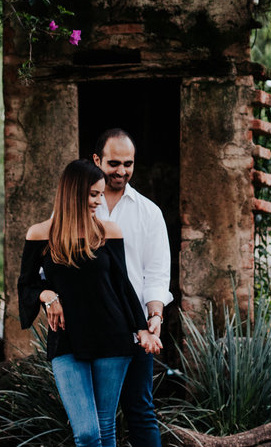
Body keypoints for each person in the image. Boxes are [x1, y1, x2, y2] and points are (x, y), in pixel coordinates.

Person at [18, 158, 163, 447]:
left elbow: (122, 286)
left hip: (112, 337)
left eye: (100, 193)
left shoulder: (109, 232)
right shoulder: (40, 234)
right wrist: (48, 296)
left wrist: (142, 328)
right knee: (86, 433)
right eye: (93, 194)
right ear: (72, 193)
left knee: (105, 429)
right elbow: (26, 285)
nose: (99, 200)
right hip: (67, 340)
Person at [93, 129, 172, 447]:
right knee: (98, 418)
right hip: (90, 329)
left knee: (140, 410)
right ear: (97, 160)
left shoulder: (149, 213)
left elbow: (156, 273)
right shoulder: (75, 208)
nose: (122, 171)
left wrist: (155, 317)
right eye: (114, 163)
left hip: (135, 330)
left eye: (129, 164)